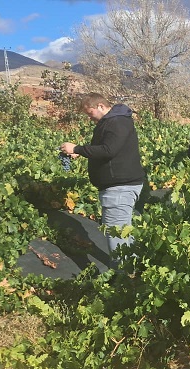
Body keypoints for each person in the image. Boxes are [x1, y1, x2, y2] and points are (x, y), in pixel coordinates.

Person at [60, 93, 146, 268]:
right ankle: (134, 273)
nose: (89, 117)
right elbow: (107, 149)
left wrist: (76, 147)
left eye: (90, 113)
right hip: (119, 186)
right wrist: (81, 152)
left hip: (120, 188)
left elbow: (109, 150)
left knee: (116, 236)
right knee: (123, 233)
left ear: (100, 106)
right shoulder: (113, 121)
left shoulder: (117, 122)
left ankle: (123, 281)